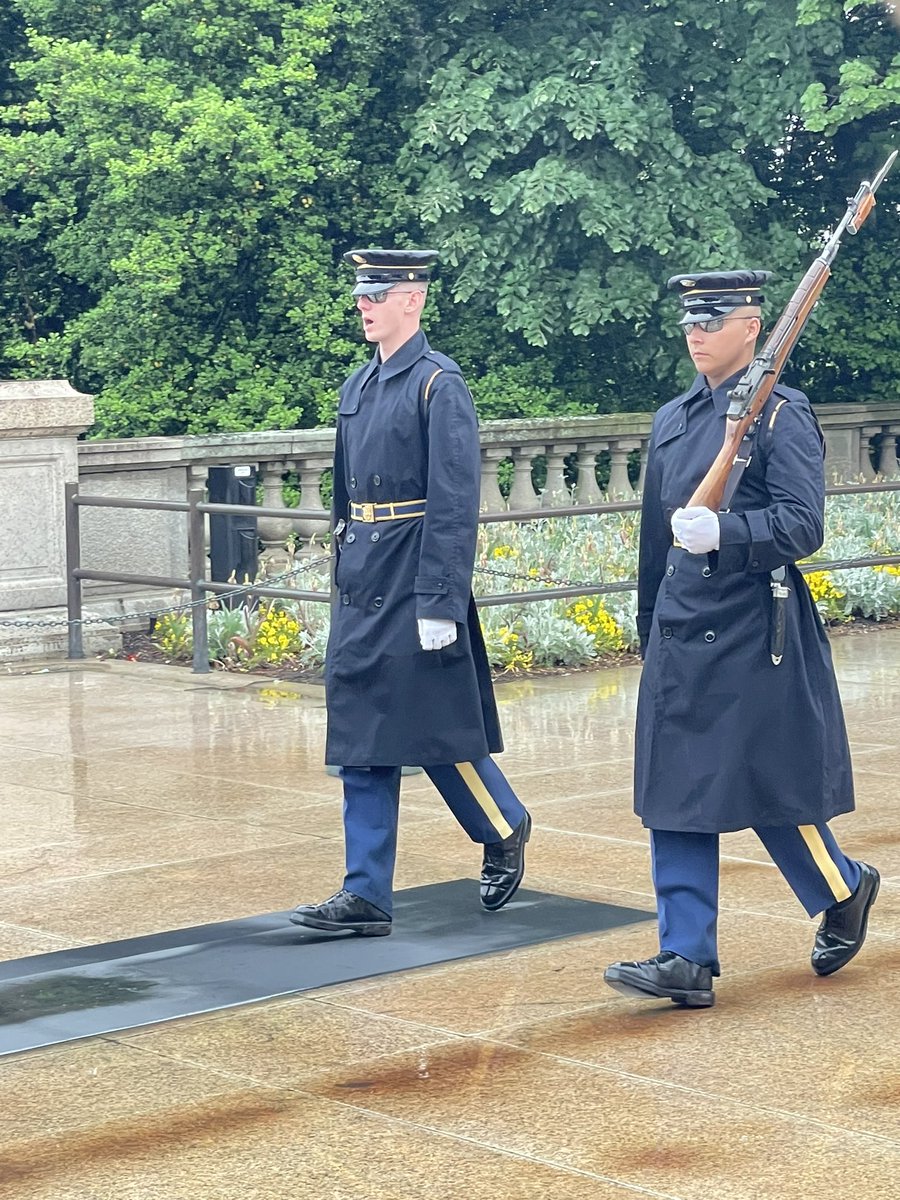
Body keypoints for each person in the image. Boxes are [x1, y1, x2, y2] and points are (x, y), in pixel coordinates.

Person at [603, 270, 879, 1008]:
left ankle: (843, 888)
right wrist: (648, 621)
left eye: (711, 319)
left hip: (756, 623)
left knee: (764, 782)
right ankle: (685, 956)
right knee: (674, 788)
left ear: (752, 327)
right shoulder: (673, 418)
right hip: (683, 624)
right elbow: (653, 541)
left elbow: (802, 524)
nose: (695, 331)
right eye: (690, 320)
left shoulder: (780, 413)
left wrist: (726, 530)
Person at [290, 248, 532, 937]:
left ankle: (504, 823)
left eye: (376, 293)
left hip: (412, 568)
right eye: (361, 294)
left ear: (412, 301)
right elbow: (344, 490)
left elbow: (454, 503)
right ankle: (365, 893)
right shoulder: (359, 386)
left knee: (432, 724)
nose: (363, 305)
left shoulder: (437, 385)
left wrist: (439, 601)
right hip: (365, 570)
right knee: (362, 731)